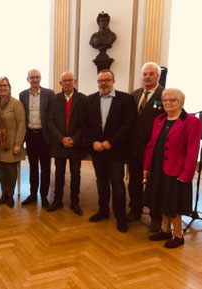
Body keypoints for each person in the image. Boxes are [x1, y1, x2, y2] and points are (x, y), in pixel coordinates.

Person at [143, 88, 201, 248]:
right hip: (158, 168)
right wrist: (146, 167)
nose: (168, 103)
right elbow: (151, 145)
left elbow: (193, 149)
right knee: (161, 200)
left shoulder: (192, 122)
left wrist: (187, 172)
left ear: (181, 102)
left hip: (176, 170)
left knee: (173, 204)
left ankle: (178, 235)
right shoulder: (159, 119)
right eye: (165, 100)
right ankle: (165, 230)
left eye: (172, 100)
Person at [82, 69, 136, 232]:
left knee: (117, 184)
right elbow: (84, 124)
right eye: (100, 80)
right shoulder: (89, 100)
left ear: (113, 81)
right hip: (97, 150)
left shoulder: (126, 99)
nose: (103, 83)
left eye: (107, 80)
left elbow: (128, 125)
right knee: (101, 182)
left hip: (116, 150)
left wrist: (109, 143)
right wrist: (94, 142)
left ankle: (120, 216)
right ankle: (103, 211)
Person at [127, 62, 165, 232]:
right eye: (144, 74)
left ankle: (156, 217)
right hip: (134, 148)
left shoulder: (165, 95)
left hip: (156, 150)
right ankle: (135, 210)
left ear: (157, 76)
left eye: (151, 74)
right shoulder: (134, 95)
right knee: (134, 181)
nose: (147, 77)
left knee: (154, 183)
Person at [47, 72, 85, 214]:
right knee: (59, 173)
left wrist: (74, 139)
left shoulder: (83, 99)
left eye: (70, 80)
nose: (68, 83)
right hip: (59, 143)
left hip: (76, 144)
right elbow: (50, 121)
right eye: (65, 80)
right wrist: (61, 138)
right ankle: (57, 201)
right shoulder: (54, 99)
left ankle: (75, 202)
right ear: (60, 83)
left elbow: (84, 123)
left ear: (74, 82)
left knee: (76, 174)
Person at [19, 69, 54, 208]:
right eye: (32, 77)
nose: (34, 80)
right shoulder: (22, 95)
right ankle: (33, 195)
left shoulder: (49, 93)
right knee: (33, 167)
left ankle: (44, 196)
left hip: (44, 136)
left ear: (40, 78)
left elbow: (52, 115)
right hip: (30, 136)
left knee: (45, 168)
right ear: (27, 79)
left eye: (37, 77)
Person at [0, 76, 26, 208]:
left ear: (9, 87)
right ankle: (3, 194)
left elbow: (22, 125)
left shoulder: (16, 104)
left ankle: (9, 195)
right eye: (0, 85)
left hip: (12, 144)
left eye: (5, 85)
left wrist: (18, 144)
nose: (3, 88)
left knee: (11, 171)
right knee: (2, 171)